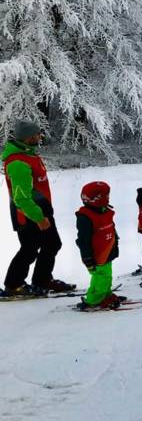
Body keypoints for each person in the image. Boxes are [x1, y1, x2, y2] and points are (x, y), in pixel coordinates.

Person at [2, 120, 72, 296]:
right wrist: (38, 218)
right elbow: (21, 197)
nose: (40, 136)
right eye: (36, 134)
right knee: (29, 249)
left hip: (41, 210)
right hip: (27, 213)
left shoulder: (29, 155)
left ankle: (42, 279)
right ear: (27, 138)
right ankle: (13, 285)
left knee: (52, 244)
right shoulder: (18, 162)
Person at [75, 182, 126, 310]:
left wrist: (115, 244)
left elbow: (111, 228)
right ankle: (94, 300)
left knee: (107, 276)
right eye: (106, 196)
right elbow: (83, 240)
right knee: (100, 278)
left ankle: (105, 295)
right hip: (96, 256)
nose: (108, 198)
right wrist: (87, 258)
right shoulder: (85, 217)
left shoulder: (104, 211)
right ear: (97, 199)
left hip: (107, 251)